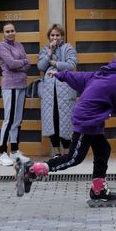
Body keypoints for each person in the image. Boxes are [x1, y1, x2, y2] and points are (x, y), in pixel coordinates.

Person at [24, 51, 116, 206]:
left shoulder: (102, 74)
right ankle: (34, 170)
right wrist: (113, 110)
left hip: (93, 120)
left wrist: (61, 75)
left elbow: (80, 77)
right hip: (87, 120)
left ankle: (98, 190)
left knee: (103, 149)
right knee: (74, 158)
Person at [37, 24, 78, 157]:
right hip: (49, 92)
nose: (55, 38)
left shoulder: (68, 48)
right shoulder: (45, 50)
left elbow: (71, 65)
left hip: (65, 90)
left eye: (57, 35)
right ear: (49, 37)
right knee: (52, 120)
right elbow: (41, 66)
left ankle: (67, 152)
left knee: (65, 120)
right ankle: (56, 153)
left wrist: (55, 64)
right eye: (52, 35)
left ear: (62, 36)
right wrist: (49, 53)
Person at [0, 21, 31, 166]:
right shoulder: (2, 46)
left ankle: (15, 151)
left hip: (22, 85)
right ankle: (2, 153)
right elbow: (10, 64)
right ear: (3, 33)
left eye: (12, 31)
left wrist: (20, 63)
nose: (10, 33)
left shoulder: (19, 45)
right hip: (10, 86)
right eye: (7, 31)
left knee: (17, 120)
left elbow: (28, 63)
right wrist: (21, 63)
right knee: (9, 120)